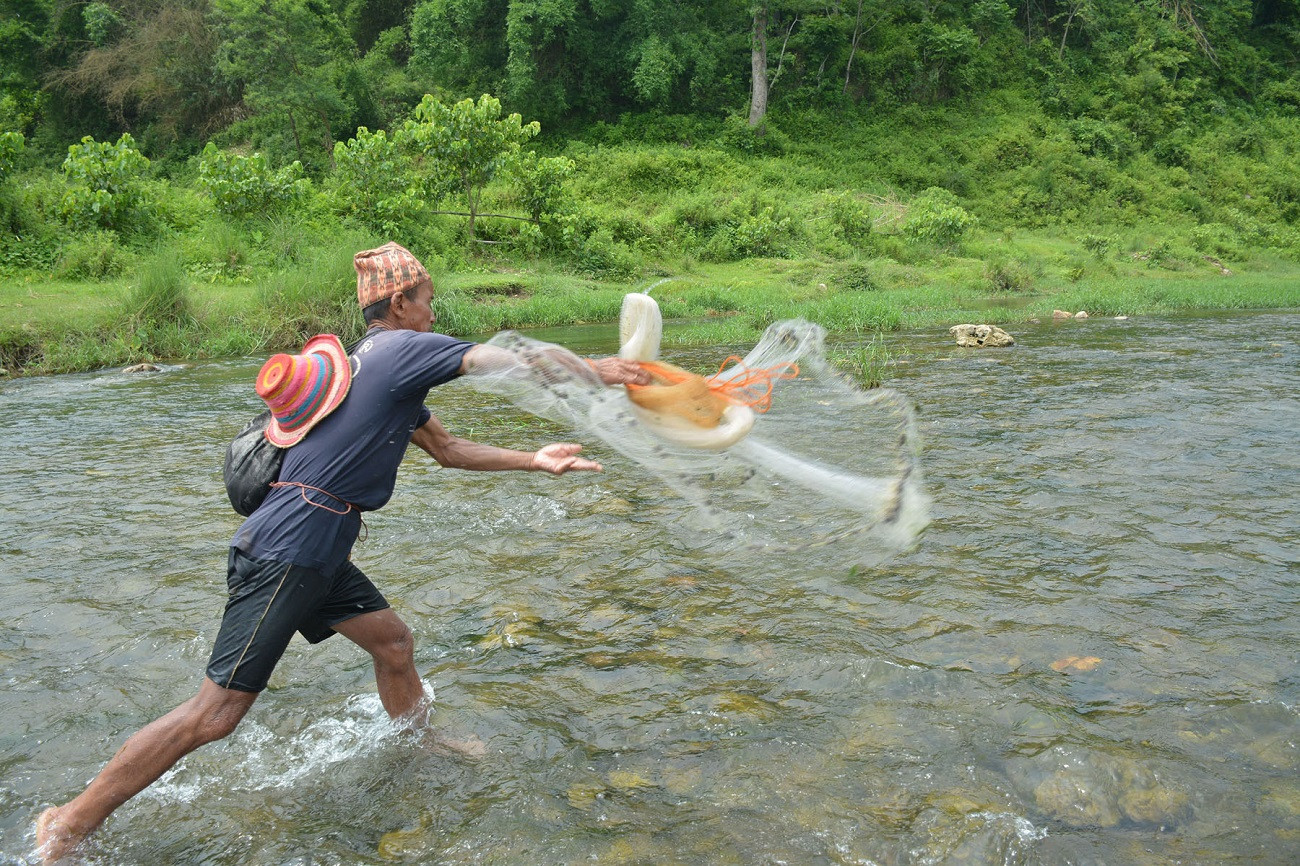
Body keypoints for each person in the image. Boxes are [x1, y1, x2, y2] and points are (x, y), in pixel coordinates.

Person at [35, 242, 650, 862]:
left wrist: (533, 461)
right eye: (428, 301)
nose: (434, 314)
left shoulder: (369, 373)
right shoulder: (402, 351)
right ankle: (68, 824)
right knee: (215, 713)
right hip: (291, 548)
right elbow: (506, 360)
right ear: (400, 302)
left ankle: (418, 741)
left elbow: (447, 450)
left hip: (314, 545)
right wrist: (599, 369)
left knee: (393, 644)